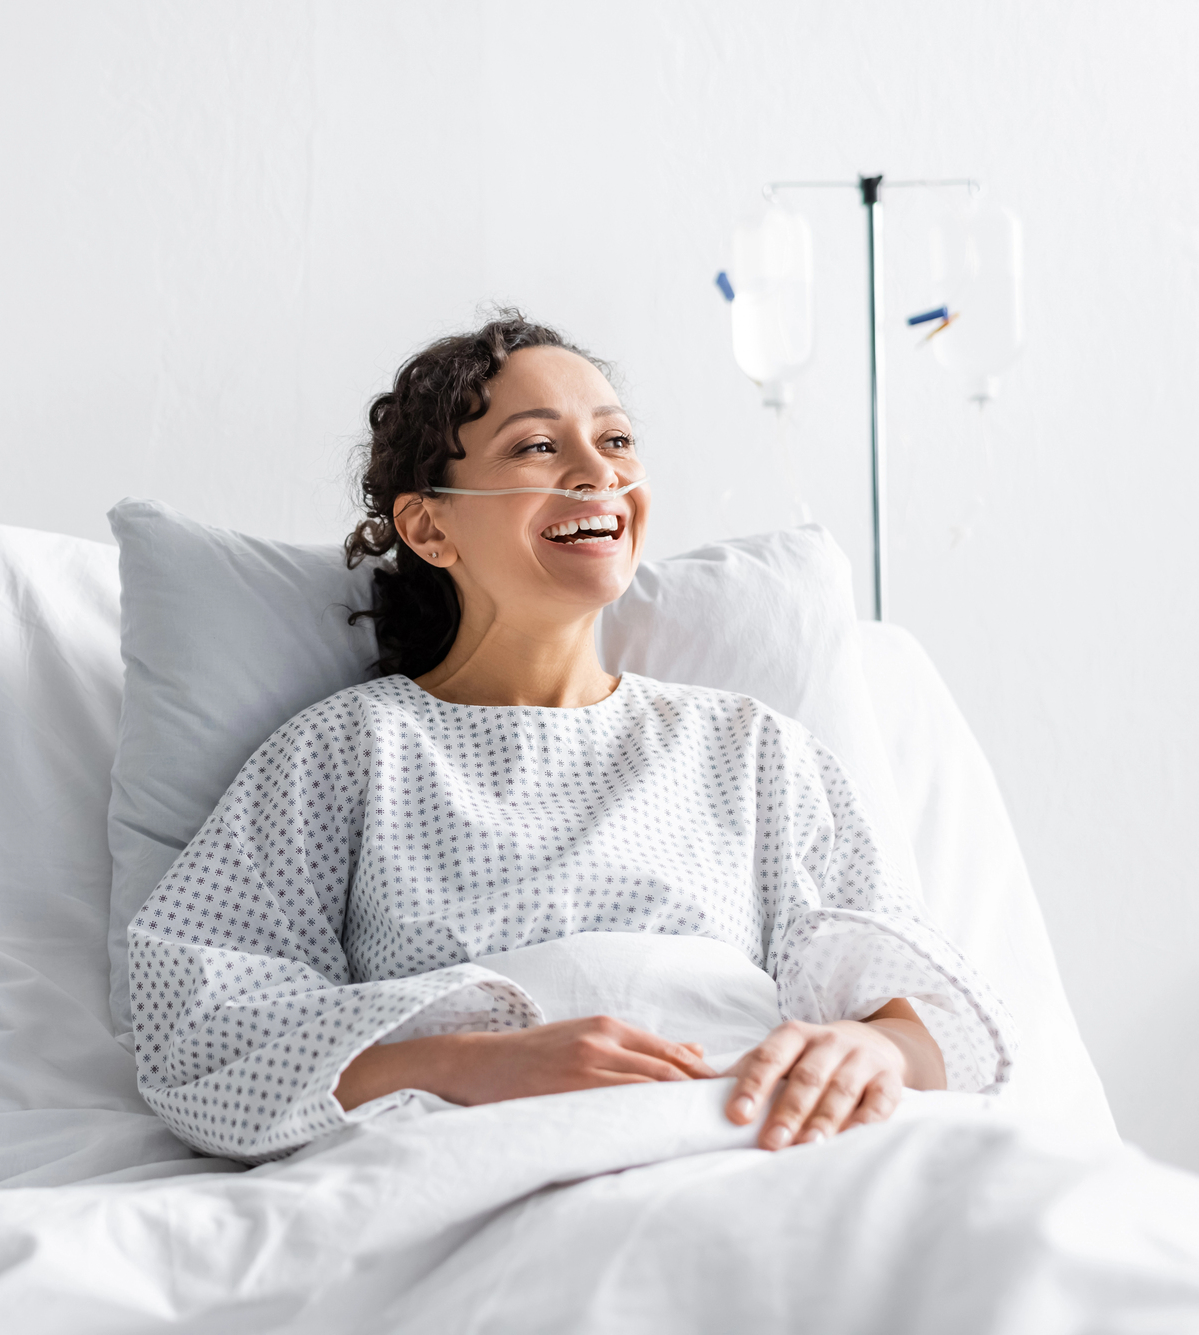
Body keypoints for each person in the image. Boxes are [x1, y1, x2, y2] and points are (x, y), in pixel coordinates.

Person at [127, 311, 1014, 1164]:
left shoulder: (752, 750)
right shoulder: (349, 753)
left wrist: (877, 1053)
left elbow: (928, 1026)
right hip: (482, 1157)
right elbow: (200, 1034)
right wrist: (472, 1063)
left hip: (757, 1136)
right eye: (538, 446)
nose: (599, 473)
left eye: (617, 440)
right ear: (429, 525)